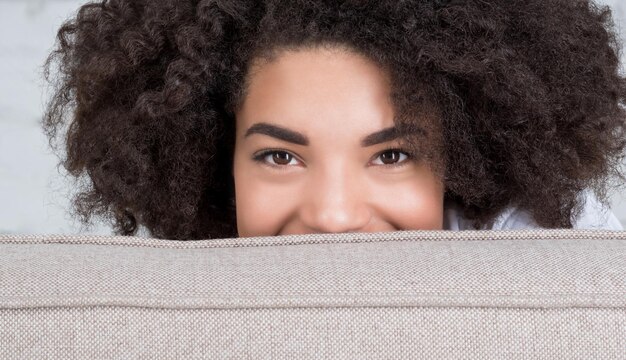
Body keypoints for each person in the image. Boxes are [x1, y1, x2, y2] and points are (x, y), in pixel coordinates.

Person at [43, 0, 626, 239]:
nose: (334, 217)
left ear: (462, 162)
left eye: (391, 155)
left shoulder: (548, 262)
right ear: (218, 164)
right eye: (280, 156)